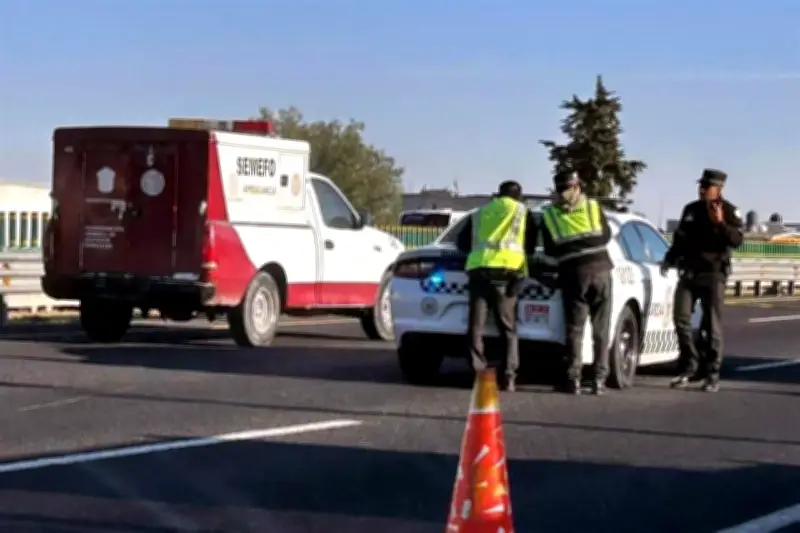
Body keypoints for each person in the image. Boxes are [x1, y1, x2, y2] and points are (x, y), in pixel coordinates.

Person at [660, 168, 743, 392]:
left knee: (711, 325)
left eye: (707, 187)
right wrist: (669, 259)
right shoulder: (690, 209)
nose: (702, 190)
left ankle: (712, 373)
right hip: (689, 272)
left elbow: (737, 240)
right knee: (681, 319)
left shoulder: (729, 211)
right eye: (701, 186)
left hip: (714, 273)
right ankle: (689, 365)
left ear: (719, 189)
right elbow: (680, 239)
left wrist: (720, 223)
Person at [456, 180, 538, 392]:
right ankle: (509, 376)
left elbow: (461, 243)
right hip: (507, 273)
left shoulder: (480, 212)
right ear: (519, 196)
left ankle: (478, 373)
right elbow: (529, 246)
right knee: (508, 328)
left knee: (476, 326)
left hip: (479, 271)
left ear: (498, 195)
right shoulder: (522, 212)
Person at [538, 172, 613, 395]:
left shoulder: (549, 214)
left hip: (573, 273)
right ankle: (599, 380)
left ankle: (573, 379)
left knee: (575, 329)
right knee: (601, 328)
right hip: (601, 269)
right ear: (578, 186)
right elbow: (606, 235)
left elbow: (550, 250)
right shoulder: (592, 206)